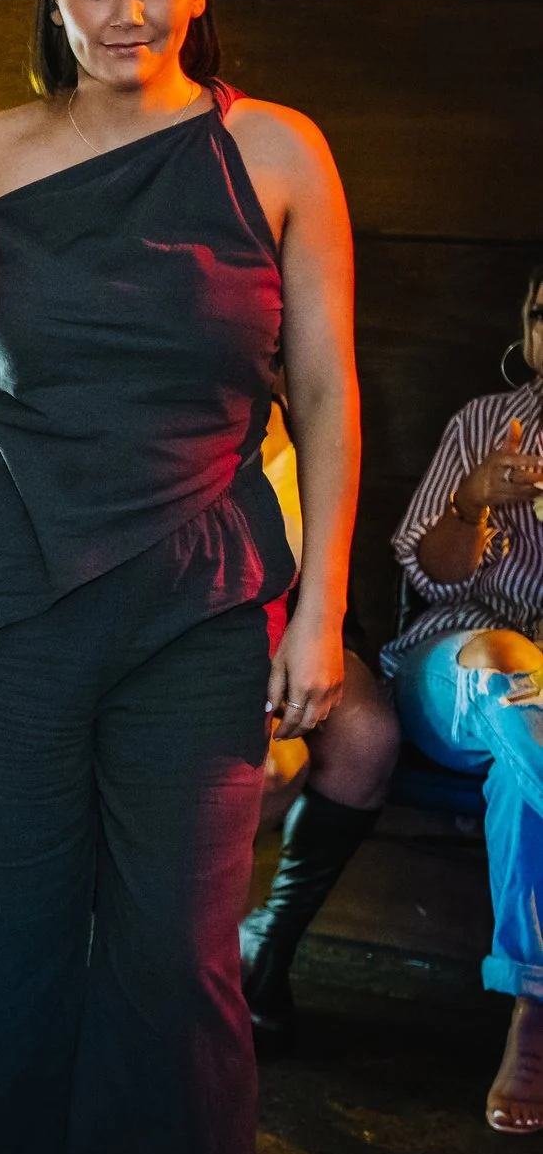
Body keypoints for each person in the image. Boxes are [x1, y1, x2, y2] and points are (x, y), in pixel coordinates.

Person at [0, 0, 360, 1154]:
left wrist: (326, 605)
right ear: (53, 1)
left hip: (203, 592)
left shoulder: (278, 149)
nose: (126, 11)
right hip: (7, 594)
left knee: (174, 958)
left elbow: (333, 395)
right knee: (6, 939)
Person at [383, 262, 543, 1133]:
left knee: (529, 765)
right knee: (504, 659)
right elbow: (431, 574)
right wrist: (474, 501)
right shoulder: (489, 421)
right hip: (449, 670)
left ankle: (533, 1016)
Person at [240, 404, 403, 1056]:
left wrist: (318, 629)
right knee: (259, 768)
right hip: (215, 622)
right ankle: (194, 962)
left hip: (303, 614)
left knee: (367, 735)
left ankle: (269, 942)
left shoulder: (303, 414)